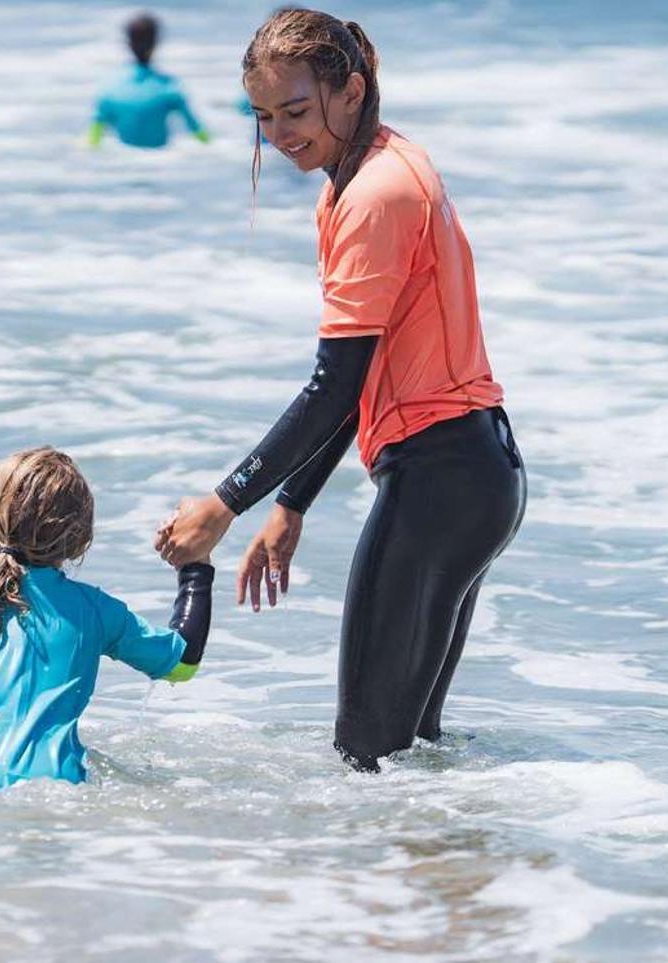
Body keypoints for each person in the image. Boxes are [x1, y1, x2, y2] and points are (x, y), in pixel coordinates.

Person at [154, 10, 525, 771]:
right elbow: (357, 377)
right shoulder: (385, 168)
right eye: (262, 117)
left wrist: (225, 505)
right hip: (475, 475)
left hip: (438, 479)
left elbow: (333, 383)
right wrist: (292, 503)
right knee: (408, 759)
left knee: (367, 761)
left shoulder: (373, 196)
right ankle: (445, 878)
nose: (280, 134)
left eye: (295, 110)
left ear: (350, 92)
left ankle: (386, 884)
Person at [0, 448, 213, 790]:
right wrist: (196, 566)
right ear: (80, 543)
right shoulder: (94, 609)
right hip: (52, 791)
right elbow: (182, 662)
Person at [88, 12, 209, 149]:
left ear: (128, 44)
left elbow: (93, 140)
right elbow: (197, 131)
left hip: (122, 159)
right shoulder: (169, 87)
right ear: (156, 43)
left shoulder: (109, 88)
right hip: (163, 159)